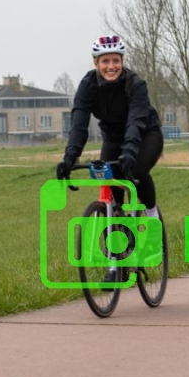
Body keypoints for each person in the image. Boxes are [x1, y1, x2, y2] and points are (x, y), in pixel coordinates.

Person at [56, 35, 164, 281]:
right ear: (96, 64)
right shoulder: (88, 86)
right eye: (105, 61)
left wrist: (129, 152)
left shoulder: (135, 84)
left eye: (116, 60)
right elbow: (79, 125)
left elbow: (136, 121)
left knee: (137, 171)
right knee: (111, 199)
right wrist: (69, 158)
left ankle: (153, 222)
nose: (111, 66)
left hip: (145, 134)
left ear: (122, 61)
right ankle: (116, 266)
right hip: (113, 139)